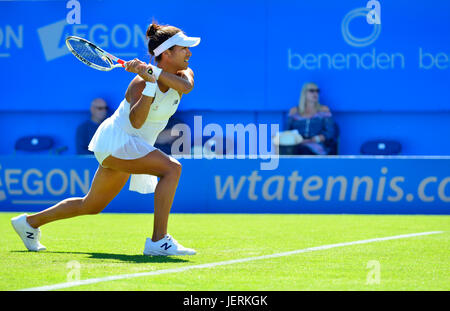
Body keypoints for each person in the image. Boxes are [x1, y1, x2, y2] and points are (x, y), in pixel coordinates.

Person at [11, 22, 201, 256]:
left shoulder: (184, 74)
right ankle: (158, 241)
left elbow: (187, 87)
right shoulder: (140, 83)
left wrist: (154, 72)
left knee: (91, 205)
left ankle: (28, 223)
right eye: (184, 48)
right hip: (117, 142)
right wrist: (151, 82)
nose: (190, 53)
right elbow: (136, 123)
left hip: (134, 146)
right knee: (172, 169)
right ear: (168, 53)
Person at [284, 82, 338, 155]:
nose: (315, 93)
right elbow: (287, 132)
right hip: (297, 146)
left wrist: (313, 139)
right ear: (304, 93)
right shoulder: (294, 111)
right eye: (312, 91)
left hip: (317, 147)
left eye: (317, 91)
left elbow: (330, 133)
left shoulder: (324, 111)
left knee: (305, 150)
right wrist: (298, 140)